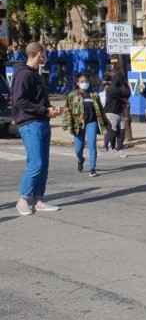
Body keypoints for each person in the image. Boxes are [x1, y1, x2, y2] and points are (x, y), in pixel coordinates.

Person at [10, 42, 61, 215]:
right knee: (36, 163)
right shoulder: (23, 74)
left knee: (44, 164)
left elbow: (37, 100)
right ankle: (23, 199)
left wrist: (50, 109)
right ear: (39, 53)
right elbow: (20, 101)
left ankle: (38, 199)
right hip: (30, 123)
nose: (45, 56)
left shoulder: (35, 75)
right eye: (44, 53)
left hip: (41, 122)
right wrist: (44, 110)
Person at [62, 73, 106, 178]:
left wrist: (105, 122)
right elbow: (67, 110)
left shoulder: (94, 95)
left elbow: (100, 110)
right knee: (78, 148)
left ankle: (92, 169)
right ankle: (80, 159)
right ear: (77, 83)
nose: (85, 83)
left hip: (92, 122)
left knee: (92, 144)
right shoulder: (72, 95)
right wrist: (68, 125)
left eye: (86, 81)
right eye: (82, 82)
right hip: (78, 124)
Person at [103, 70, 130, 157]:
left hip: (119, 111)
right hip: (110, 111)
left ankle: (119, 148)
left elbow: (125, 96)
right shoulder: (113, 88)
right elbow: (127, 94)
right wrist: (127, 85)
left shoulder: (117, 88)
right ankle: (108, 146)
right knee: (113, 130)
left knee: (122, 130)